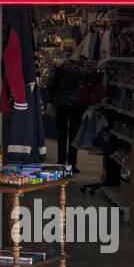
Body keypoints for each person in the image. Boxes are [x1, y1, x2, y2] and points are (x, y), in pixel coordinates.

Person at [46, 39, 86, 172]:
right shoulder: (81, 65)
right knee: (74, 134)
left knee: (61, 133)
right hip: (77, 104)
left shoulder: (58, 64)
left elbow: (50, 84)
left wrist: (52, 99)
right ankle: (73, 164)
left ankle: (61, 162)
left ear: (62, 49)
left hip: (61, 103)